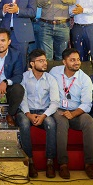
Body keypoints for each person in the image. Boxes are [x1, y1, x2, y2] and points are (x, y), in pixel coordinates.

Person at [49, 48, 93, 179]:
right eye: (72, 60)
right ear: (64, 62)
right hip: (58, 109)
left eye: (78, 59)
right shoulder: (54, 72)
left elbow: (87, 104)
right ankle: (63, 164)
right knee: (62, 122)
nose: (77, 62)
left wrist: (73, 114)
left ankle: (89, 163)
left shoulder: (85, 79)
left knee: (89, 121)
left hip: (77, 111)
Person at [14, 49, 59, 178]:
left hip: (44, 111)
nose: (45, 63)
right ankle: (30, 161)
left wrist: (44, 115)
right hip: (26, 111)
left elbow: (55, 102)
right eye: (41, 61)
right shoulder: (24, 77)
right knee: (24, 123)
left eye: (45, 60)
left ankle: (50, 162)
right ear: (32, 64)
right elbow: (22, 99)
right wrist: (28, 114)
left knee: (51, 124)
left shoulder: (50, 79)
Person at [0, 0, 37, 66]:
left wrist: (18, 10)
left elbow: (33, 12)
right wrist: (3, 11)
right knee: (5, 61)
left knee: (21, 62)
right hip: (6, 32)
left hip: (22, 33)